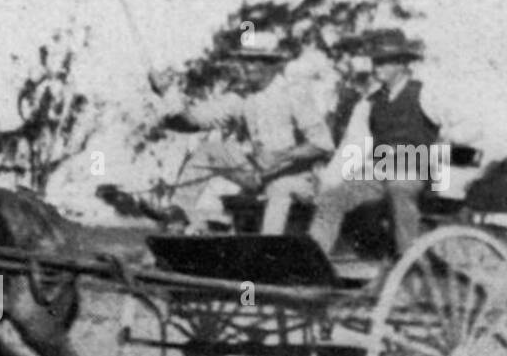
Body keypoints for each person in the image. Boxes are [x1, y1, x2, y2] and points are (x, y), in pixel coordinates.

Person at [307, 29, 478, 259]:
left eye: (385, 62)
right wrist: (329, 181)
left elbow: (470, 126)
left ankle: (408, 257)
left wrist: (446, 142)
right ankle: (312, 261)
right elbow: (353, 146)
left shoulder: (426, 93)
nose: (378, 67)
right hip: (379, 174)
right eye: (376, 61)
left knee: (399, 185)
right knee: (333, 198)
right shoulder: (370, 103)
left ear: (402, 63)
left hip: (418, 173)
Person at [149, 30, 334, 233]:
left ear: (272, 64)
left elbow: (323, 144)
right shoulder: (240, 97)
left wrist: (282, 155)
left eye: (254, 61)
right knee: (211, 150)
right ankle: (178, 215)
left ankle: (268, 250)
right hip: (257, 174)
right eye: (245, 61)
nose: (247, 67)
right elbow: (192, 122)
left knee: (278, 188)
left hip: (298, 180)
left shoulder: (294, 94)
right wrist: (167, 93)